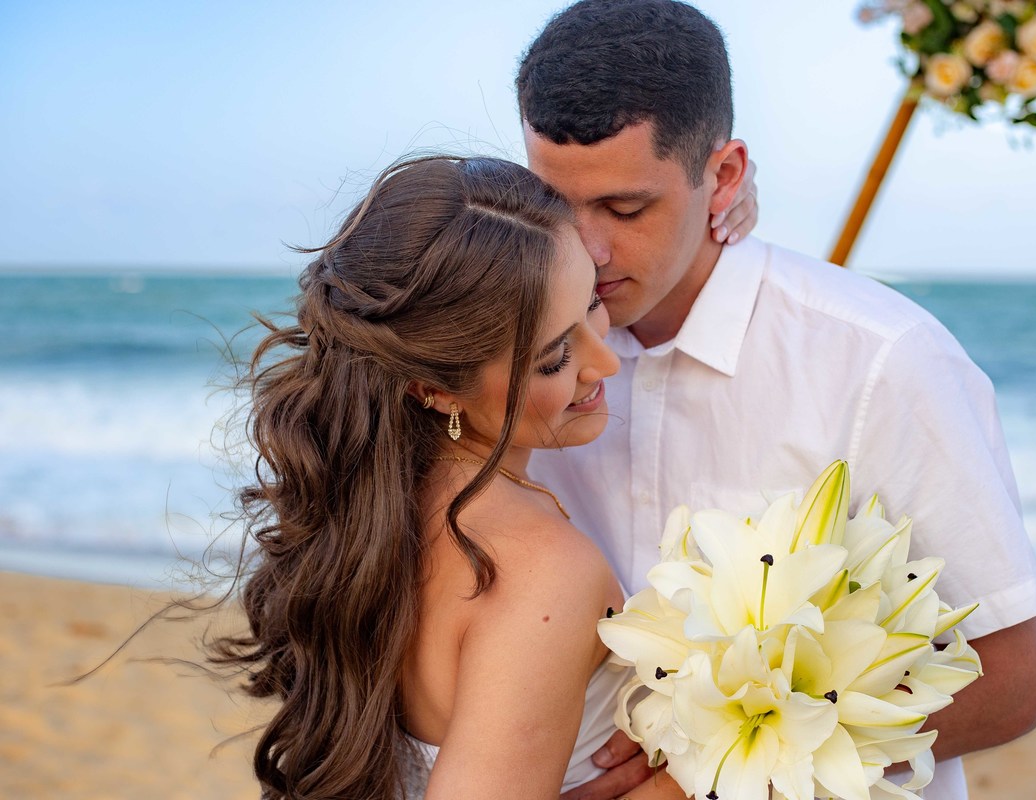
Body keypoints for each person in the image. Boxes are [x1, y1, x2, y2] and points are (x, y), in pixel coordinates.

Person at [518, 2, 1036, 799]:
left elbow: (1011, 682)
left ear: (725, 176)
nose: (587, 249)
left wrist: (705, 775)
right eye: (554, 203)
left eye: (626, 209)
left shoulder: (880, 361)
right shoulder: (514, 354)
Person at [211, 155, 687, 800]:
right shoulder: (543, 572)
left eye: (593, 303)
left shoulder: (372, 518)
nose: (605, 361)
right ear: (435, 388)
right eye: (553, 358)